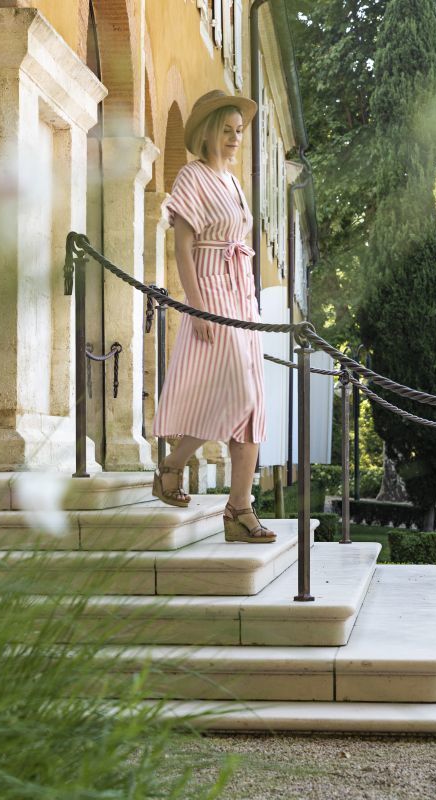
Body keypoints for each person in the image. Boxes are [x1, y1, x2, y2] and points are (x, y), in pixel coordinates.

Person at [151, 90, 275, 544]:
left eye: (238, 132)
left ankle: (237, 508)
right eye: (226, 131)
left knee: (251, 400)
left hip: (241, 296)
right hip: (212, 292)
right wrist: (196, 306)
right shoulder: (192, 176)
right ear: (207, 132)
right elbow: (183, 247)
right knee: (237, 394)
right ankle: (175, 466)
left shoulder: (235, 183)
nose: (234, 138)